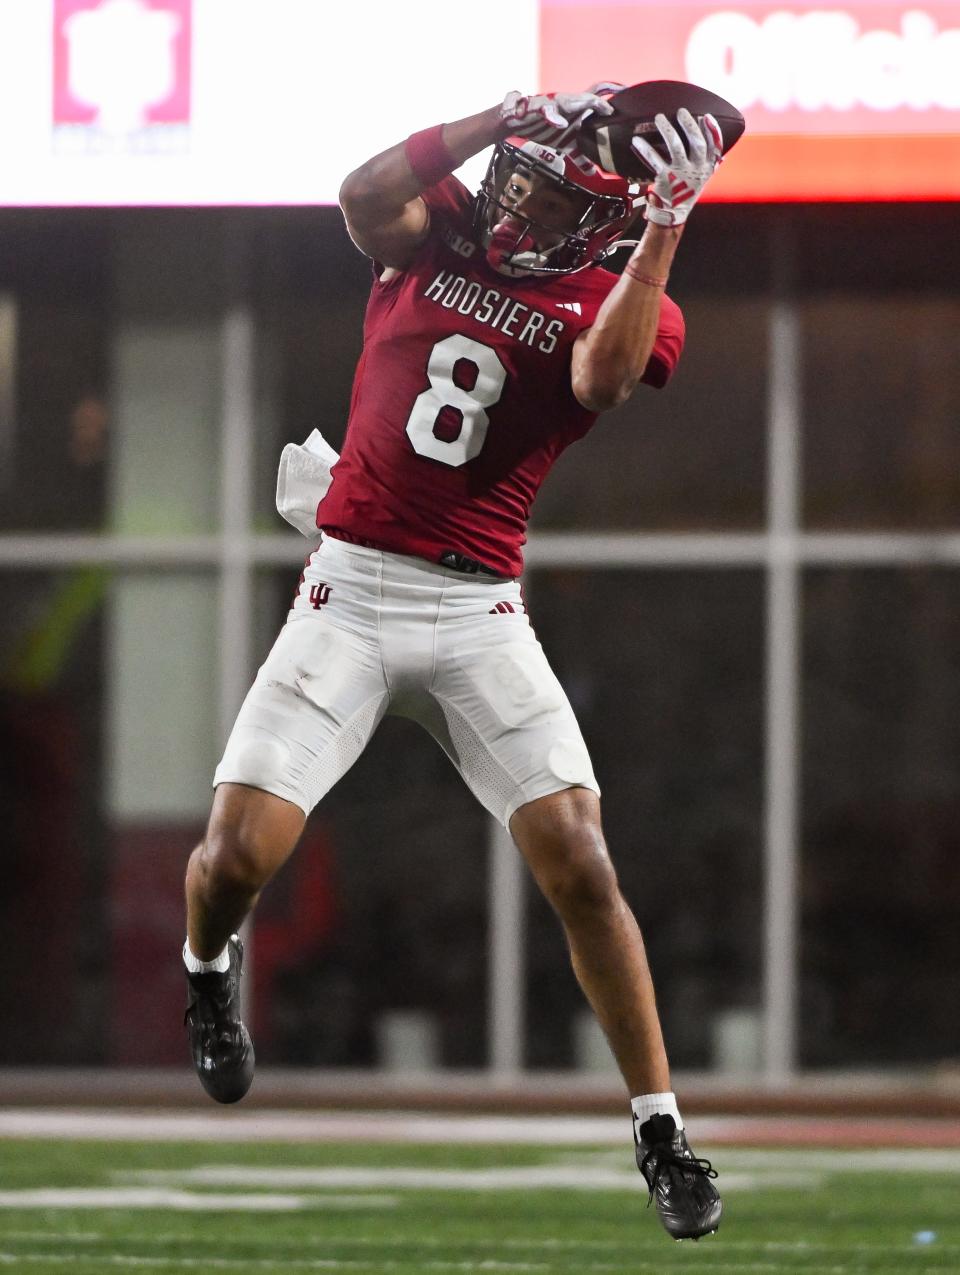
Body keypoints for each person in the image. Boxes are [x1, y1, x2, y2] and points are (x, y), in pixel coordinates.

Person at [183, 86, 724, 1241]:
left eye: (542, 192)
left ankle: (663, 1130)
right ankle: (204, 968)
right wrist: (496, 118)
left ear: (598, 219)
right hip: (351, 589)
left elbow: (604, 380)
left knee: (580, 858)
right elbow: (359, 194)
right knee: (234, 855)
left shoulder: (618, 291)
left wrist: (665, 226)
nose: (513, 205)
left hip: (478, 608)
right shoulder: (438, 225)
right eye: (511, 180)